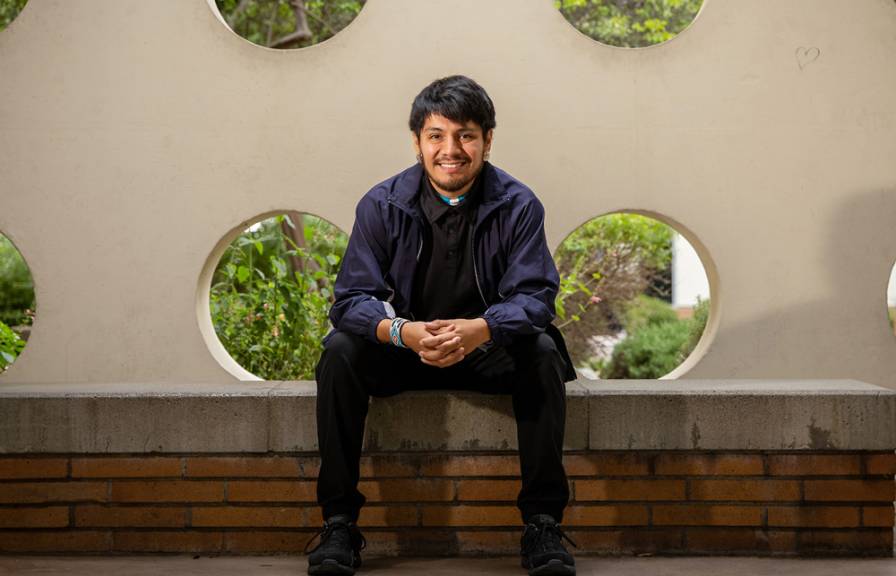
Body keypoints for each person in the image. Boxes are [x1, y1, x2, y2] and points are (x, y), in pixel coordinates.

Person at [305, 75, 578, 576]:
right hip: (405, 350)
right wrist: (402, 332)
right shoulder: (382, 205)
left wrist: (482, 328)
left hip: (485, 349)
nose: (450, 150)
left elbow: (536, 297)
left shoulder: (519, 205)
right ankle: (339, 524)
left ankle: (542, 523)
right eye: (436, 136)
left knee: (541, 353)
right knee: (341, 352)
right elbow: (350, 300)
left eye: (466, 135)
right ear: (417, 142)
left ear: (487, 140)